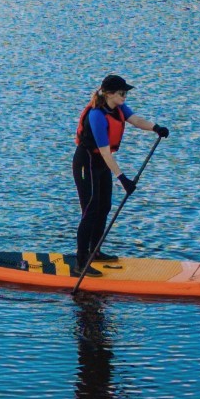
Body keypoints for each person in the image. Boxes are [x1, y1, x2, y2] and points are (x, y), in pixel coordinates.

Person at [73, 74, 169, 275]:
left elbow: (135, 120)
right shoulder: (97, 115)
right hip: (87, 162)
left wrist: (155, 128)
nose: (125, 96)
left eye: (126, 93)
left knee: (104, 206)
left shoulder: (118, 107)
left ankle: (95, 251)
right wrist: (122, 178)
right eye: (122, 93)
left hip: (101, 162)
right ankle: (81, 263)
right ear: (109, 94)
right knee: (90, 210)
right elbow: (106, 152)